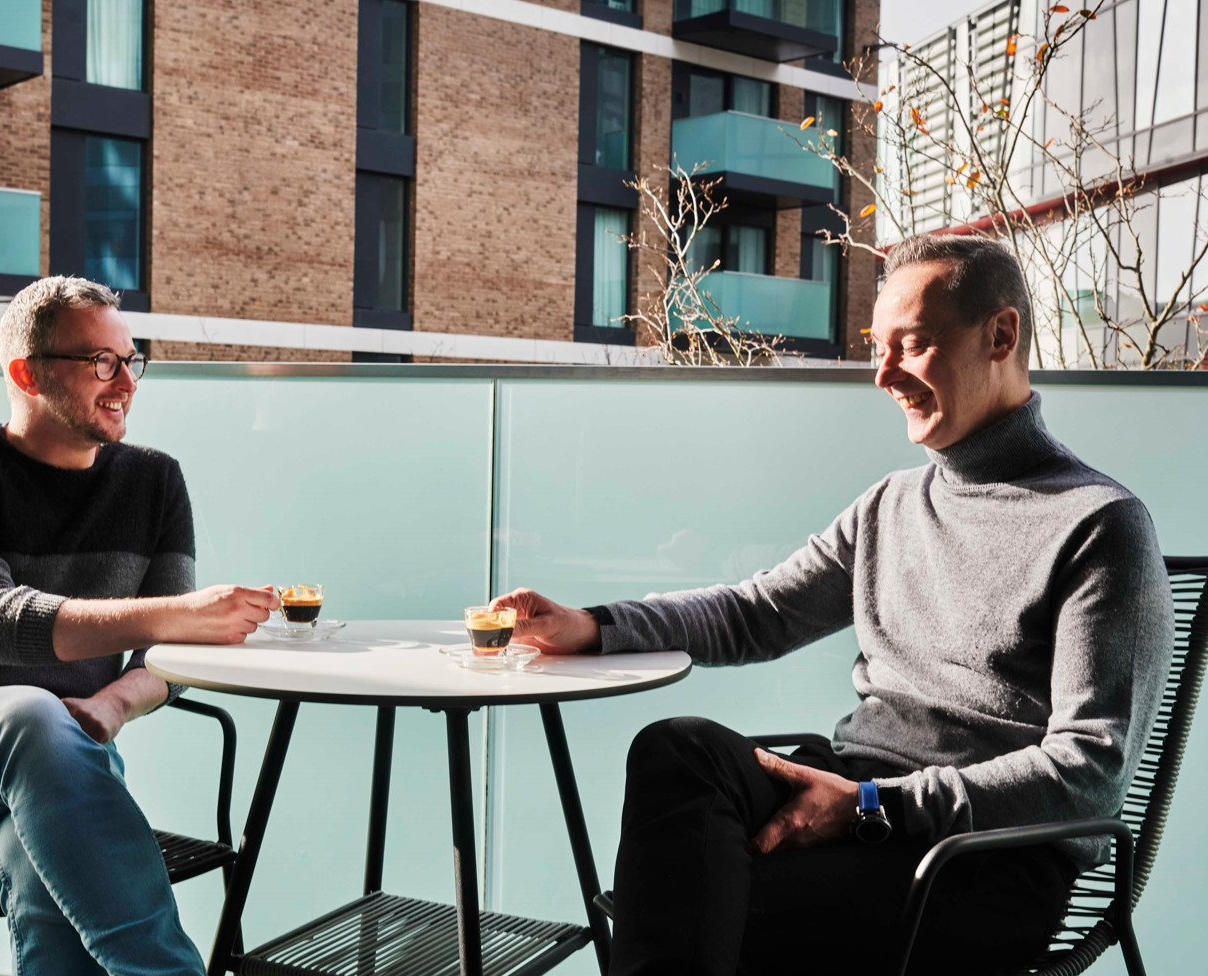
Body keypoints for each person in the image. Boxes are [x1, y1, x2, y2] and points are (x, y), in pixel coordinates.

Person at [493, 235, 1175, 976]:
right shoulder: (890, 505)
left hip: (979, 857)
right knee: (678, 747)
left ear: (1000, 336)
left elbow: (1088, 771)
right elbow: (756, 612)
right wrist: (595, 626)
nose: (882, 376)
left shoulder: (1097, 524)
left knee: (700, 906)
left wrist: (875, 805)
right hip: (848, 793)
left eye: (909, 345)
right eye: (876, 348)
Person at [0, 277, 280, 976]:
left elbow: (162, 658)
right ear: (26, 372)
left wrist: (112, 702)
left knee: (42, 855)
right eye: (99, 362)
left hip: (49, 770)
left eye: (130, 360)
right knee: (30, 714)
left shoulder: (152, 482)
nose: (125, 382)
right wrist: (179, 613)